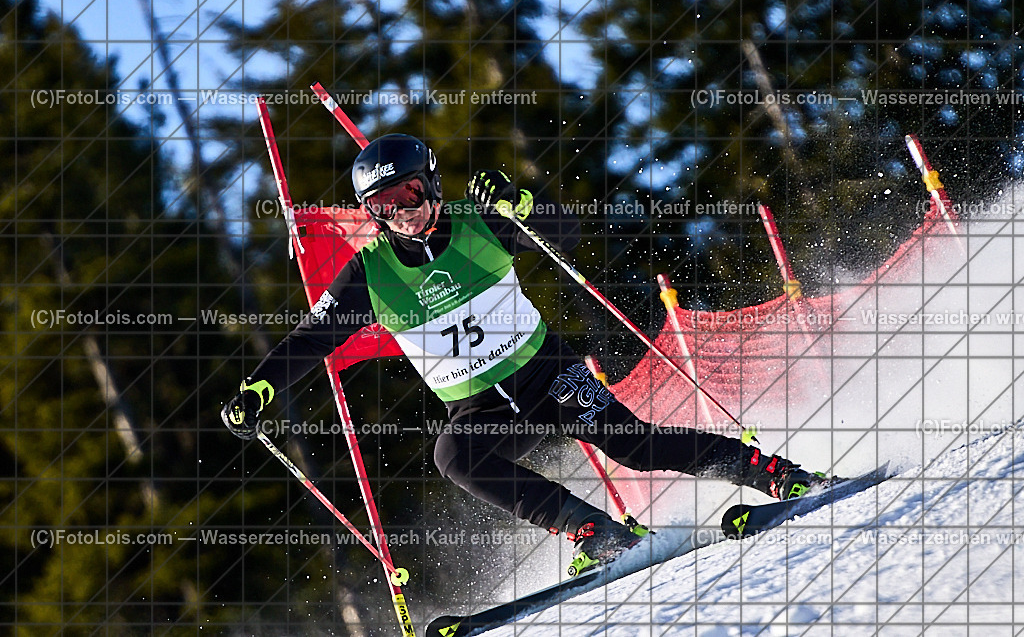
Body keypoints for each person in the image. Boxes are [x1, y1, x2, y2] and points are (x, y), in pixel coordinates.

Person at [222, 133, 838, 576]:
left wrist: (522, 203)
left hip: (547, 374)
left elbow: (562, 235)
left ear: (431, 183)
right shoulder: (368, 275)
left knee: (634, 445)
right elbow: (310, 341)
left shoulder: (475, 220)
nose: (401, 213)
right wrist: (260, 388)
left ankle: (771, 473)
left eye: (408, 193)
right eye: (382, 206)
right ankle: (592, 529)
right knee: (454, 453)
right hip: (481, 406)